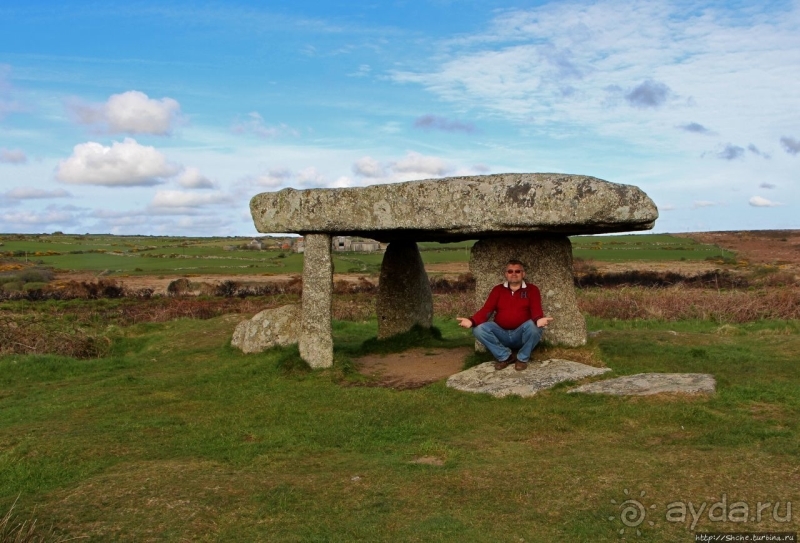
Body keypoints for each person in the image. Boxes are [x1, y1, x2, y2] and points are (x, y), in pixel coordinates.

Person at [456, 259, 553, 371]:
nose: (514, 274)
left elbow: (536, 309)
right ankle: (505, 356)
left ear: (523, 274)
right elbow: (487, 310)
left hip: (521, 334)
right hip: (501, 333)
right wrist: (471, 321)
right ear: (506, 274)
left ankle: (522, 359)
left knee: (535, 327)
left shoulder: (532, 290)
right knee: (478, 329)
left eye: (517, 271)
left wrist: (538, 320)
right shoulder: (498, 290)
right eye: (510, 271)